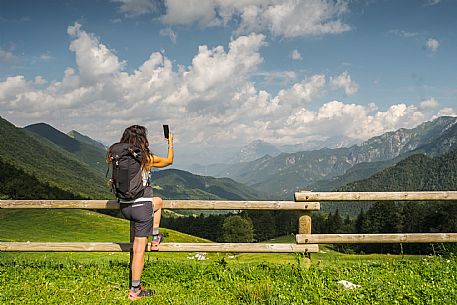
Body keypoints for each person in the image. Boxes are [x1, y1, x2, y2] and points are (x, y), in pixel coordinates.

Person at [113, 125, 173, 301]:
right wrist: (170, 143)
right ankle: (134, 290)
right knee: (139, 250)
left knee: (159, 202)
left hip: (125, 207)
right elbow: (169, 161)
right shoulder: (145, 158)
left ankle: (155, 236)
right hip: (141, 208)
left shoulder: (118, 157)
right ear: (142, 140)